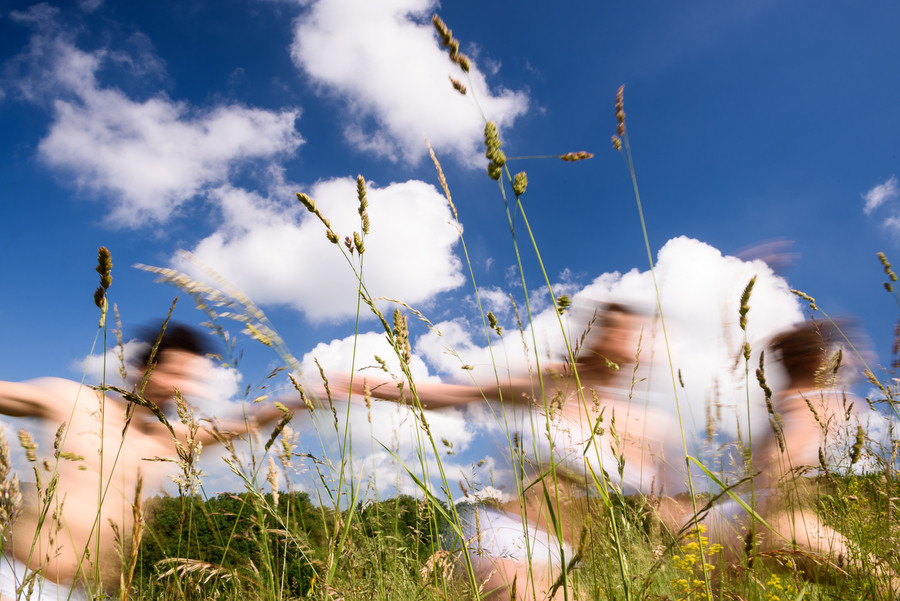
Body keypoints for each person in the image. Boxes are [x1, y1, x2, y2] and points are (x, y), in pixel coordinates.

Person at [332, 303, 674, 600]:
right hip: (503, 535)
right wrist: (351, 385)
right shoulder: (554, 383)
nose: (621, 343)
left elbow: (673, 508)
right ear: (594, 335)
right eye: (612, 330)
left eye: (633, 335)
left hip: (567, 557)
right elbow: (446, 396)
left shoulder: (645, 425)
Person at [0, 322, 300, 601]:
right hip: (16, 582)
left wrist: (304, 397)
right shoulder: (72, 400)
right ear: (144, 368)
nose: (184, 387)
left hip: (82, 593)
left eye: (191, 379)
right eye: (176, 373)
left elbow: (240, 424)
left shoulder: (161, 437)